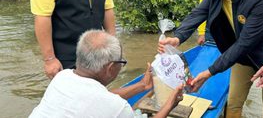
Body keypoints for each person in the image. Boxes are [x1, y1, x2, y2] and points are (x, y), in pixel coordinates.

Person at [29, 30, 183, 118]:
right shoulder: (117, 108)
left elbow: (100, 96)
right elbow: (105, 100)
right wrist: (170, 103)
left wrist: (143, 85)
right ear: (110, 68)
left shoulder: (62, 77)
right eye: (121, 62)